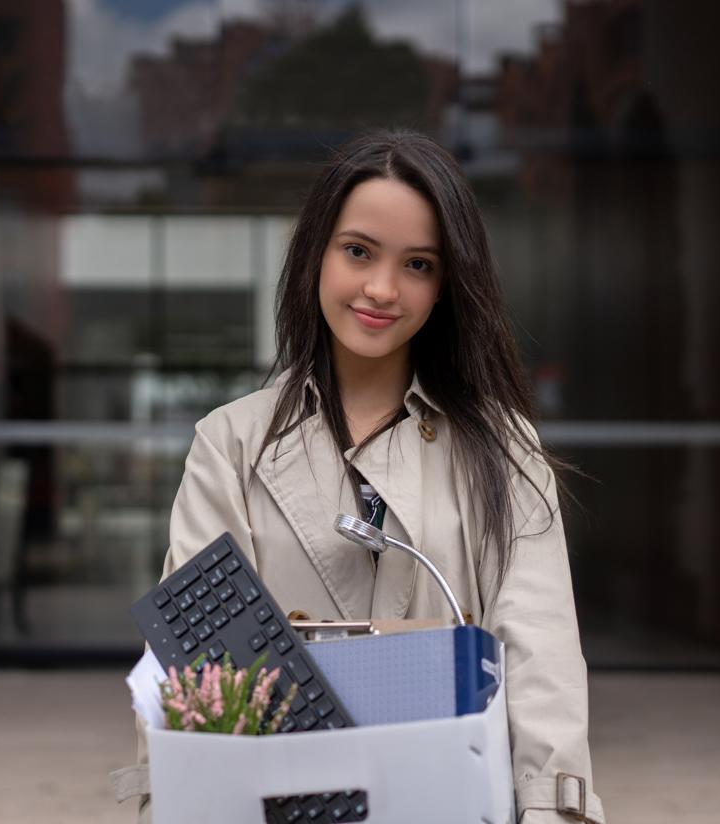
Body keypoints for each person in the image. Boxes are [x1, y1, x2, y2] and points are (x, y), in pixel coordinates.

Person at [122, 130, 605, 824]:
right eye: (358, 251)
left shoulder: (505, 448)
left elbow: (541, 653)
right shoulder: (231, 444)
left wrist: (552, 810)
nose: (382, 288)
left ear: (446, 285)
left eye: (417, 264)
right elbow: (190, 677)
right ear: (315, 253)